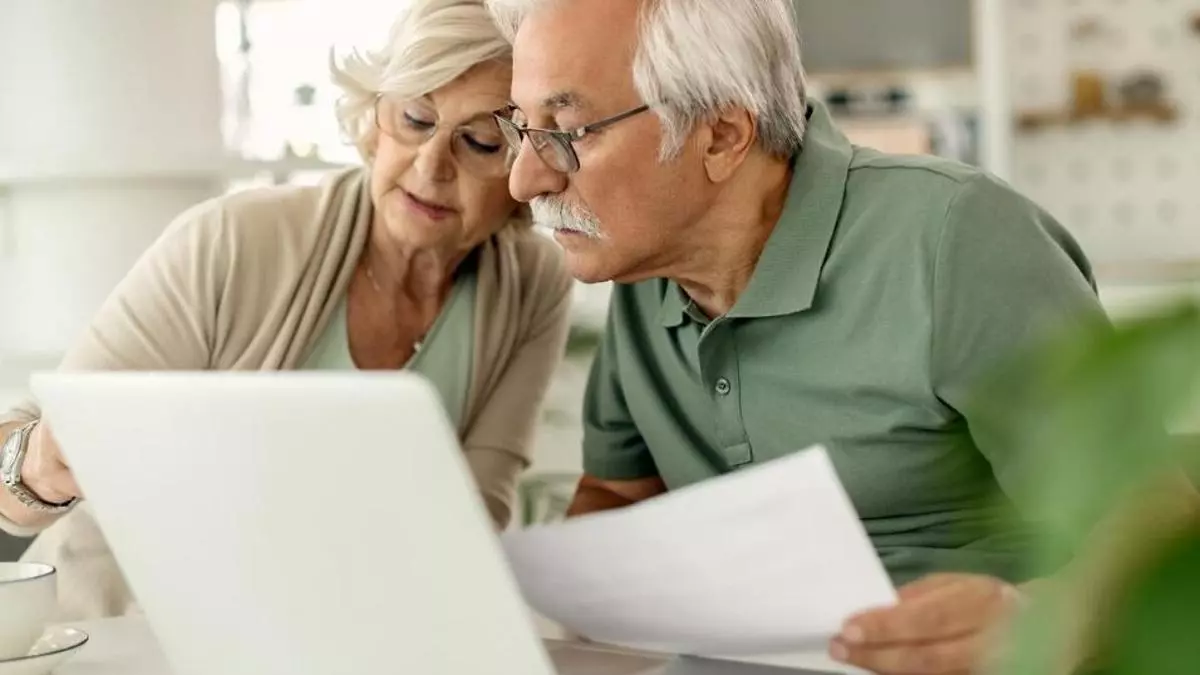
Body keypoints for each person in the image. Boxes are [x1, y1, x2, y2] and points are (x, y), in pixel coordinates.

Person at [485, 0, 1114, 673]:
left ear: (721, 135)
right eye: (522, 126)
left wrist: (1031, 622)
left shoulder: (958, 241)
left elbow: (1161, 541)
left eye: (568, 132)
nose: (524, 180)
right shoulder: (643, 268)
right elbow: (617, 497)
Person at [0, 0, 571, 620]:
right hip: (124, 629)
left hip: (346, 633)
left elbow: (473, 516)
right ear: (374, 119)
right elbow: (35, 442)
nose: (431, 166)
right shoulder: (232, 240)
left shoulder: (532, 284)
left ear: (530, 162)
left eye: (481, 141)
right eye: (414, 118)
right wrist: (37, 470)